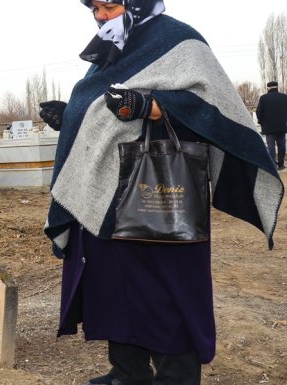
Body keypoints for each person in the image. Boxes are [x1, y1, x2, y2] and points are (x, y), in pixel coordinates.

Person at [39, 2, 283, 385]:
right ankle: (127, 372)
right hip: (108, 195)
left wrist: (154, 106)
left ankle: (176, 376)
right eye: (96, 8)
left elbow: (213, 107)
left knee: (167, 291)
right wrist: (73, 116)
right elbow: (107, 109)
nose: (101, 15)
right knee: (114, 283)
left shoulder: (179, 41)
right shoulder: (108, 53)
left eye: (110, 5)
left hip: (159, 192)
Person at [256, 81, 287, 170]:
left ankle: (273, 165)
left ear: (267, 88)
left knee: (271, 147)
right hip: (281, 126)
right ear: (277, 87)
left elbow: (259, 112)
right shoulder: (284, 97)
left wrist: (261, 122)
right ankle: (281, 164)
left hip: (268, 127)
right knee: (282, 146)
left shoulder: (263, 98)